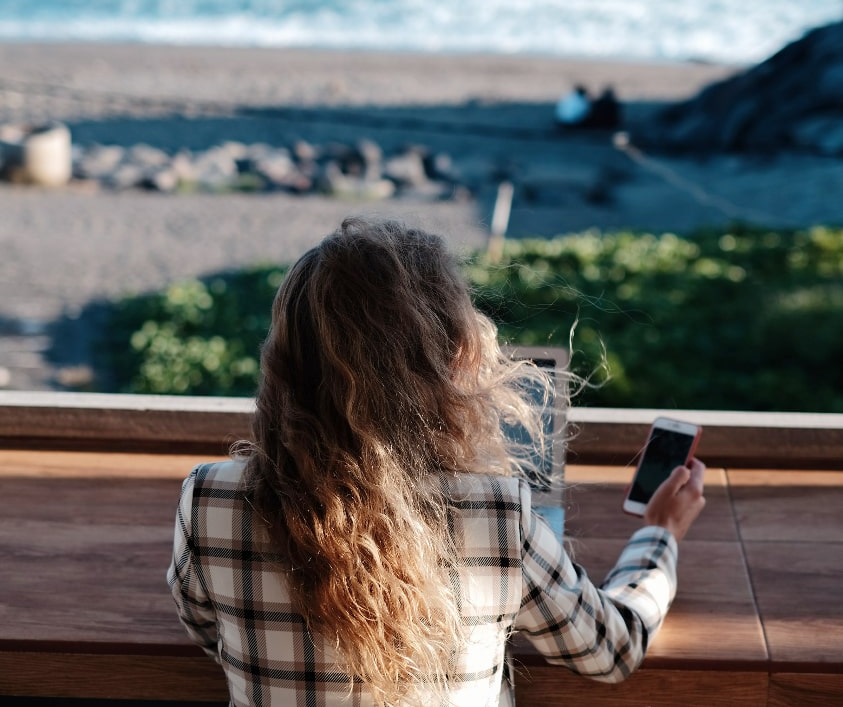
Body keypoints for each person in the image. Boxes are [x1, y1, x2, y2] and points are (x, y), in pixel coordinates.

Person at [168, 218, 706, 707]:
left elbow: (204, 627)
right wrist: (660, 534)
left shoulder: (212, 499)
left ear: (285, 356)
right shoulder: (495, 515)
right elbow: (611, 650)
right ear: (450, 358)